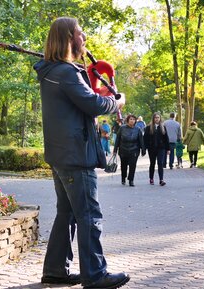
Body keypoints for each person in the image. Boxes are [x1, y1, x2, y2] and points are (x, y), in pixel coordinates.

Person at [33, 17, 129, 289]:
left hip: (62, 155)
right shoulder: (65, 73)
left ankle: (55, 270)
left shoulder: (54, 71)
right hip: (75, 156)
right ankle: (95, 275)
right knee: (89, 214)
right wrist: (117, 101)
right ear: (68, 38)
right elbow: (94, 104)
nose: (84, 37)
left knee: (67, 213)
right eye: (80, 33)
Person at [114, 114, 145, 187]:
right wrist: (115, 149)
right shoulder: (122, 128)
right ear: (128, 120)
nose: (132, 121)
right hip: (123, 149)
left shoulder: (138, 129)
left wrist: (143, 149)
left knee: (132, 165)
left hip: (134, 150)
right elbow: (117, 139)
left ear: (135, 121)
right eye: (130, 119)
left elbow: (141, 140)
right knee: (123, 165)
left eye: (133, 119)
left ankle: (131, 180)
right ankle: (123, 178)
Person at [143, 112, 169, 186]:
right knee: (152, 163)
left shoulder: (163, 127)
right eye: (155, 117)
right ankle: (151, 178)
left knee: (160, 163)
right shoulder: (148, 128)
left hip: (161, 148)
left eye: (158, 117)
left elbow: (166, 138)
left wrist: (168, 149)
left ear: (160, 118)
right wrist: (145, 148)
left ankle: (161, 180)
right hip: (152, 148)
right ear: (153, 118)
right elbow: (145, 139)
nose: (157, 119)